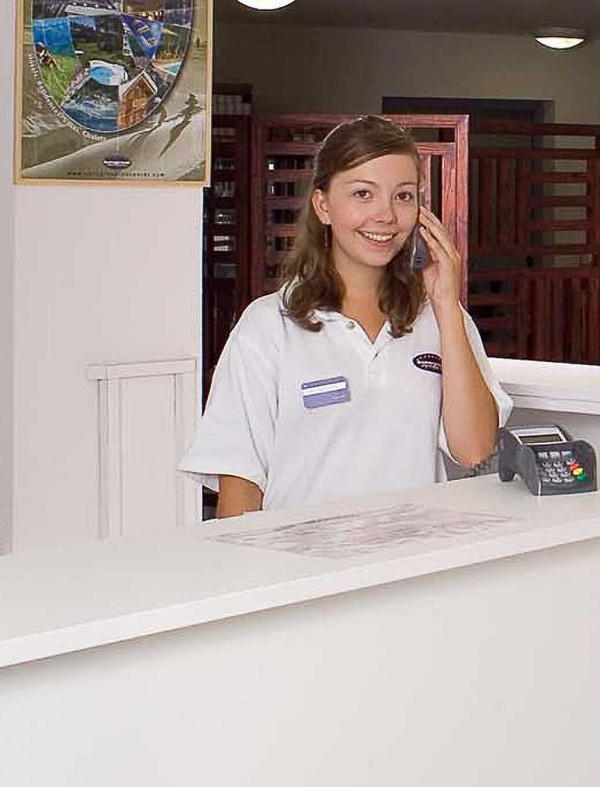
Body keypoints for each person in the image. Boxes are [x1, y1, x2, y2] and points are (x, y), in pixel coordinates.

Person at [182, 117, 512, 517]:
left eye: (403, 196)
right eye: (363, 194)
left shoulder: (442, 318)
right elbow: (240, 487)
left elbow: (475, 450)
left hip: (420, 551)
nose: (385, 215)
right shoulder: (269, 325)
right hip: (302, 554)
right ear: (323, 206)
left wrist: (445, 304)